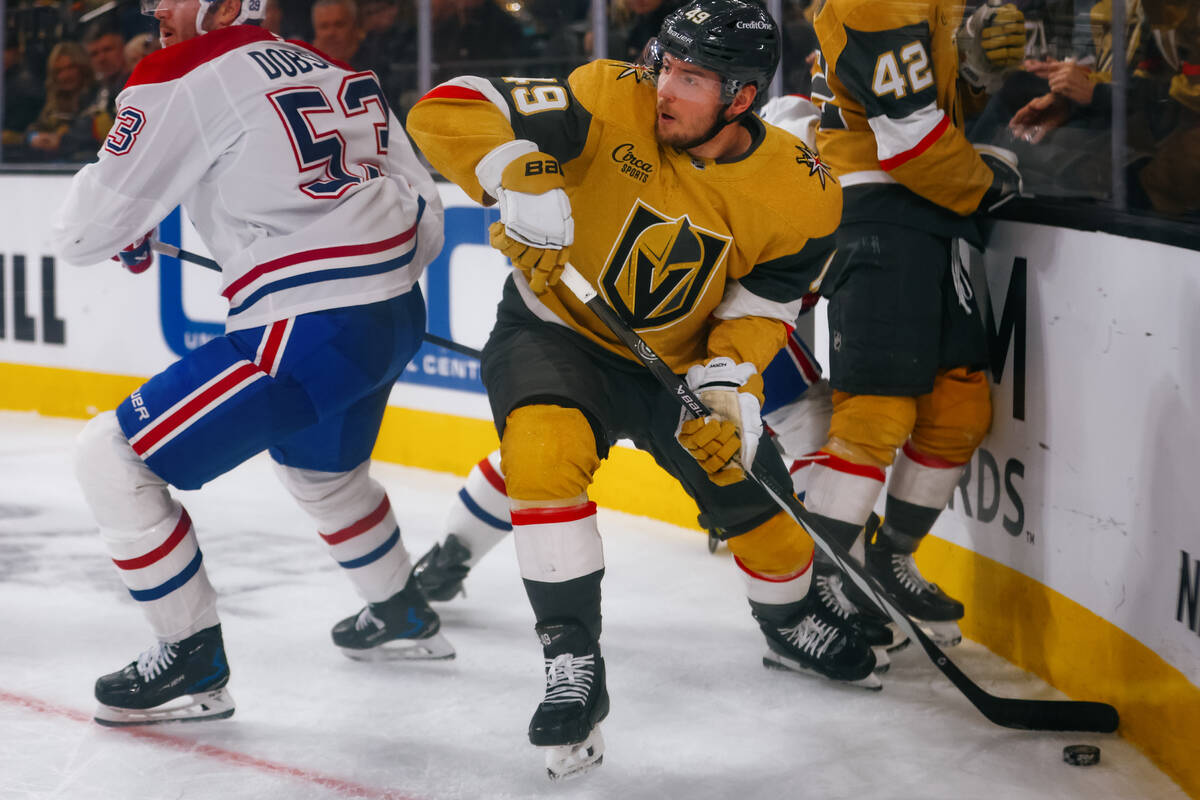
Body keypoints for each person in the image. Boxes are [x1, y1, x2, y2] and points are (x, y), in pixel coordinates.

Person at [408, 0, 880, 779]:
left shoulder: (803, 193)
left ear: (741, 97)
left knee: (758, 503)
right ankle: (572, 659)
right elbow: (452, 105)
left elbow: (765, 302)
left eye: (692, 78)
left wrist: (727, 383)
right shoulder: (607, 94)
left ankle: (791, 620)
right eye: (667, 64)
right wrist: (513, 171)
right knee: (539, 453)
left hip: (683, 368)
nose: (664, 87)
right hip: (552, 334)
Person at [48, 0, 447, 728]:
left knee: (110, 458)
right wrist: (366, 280)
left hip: (307, 328)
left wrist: (123, 218)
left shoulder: (183, 69)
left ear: (227, 5)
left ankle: (192, 658)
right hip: (393, 315)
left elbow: (81, 233)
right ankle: (401, 611)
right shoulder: (331, 65)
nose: (154, 10)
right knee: (323, 476)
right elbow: (420, 200)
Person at [803, 0, 1023, 647]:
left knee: (958, 409)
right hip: (879, 214)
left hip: (931, 215)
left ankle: (888, 556)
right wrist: (986, 185)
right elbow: (910, 139)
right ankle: (813, 584)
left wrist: (975, 72)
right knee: (877, 415)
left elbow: (932, 103)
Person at [310, 0, 365, 64]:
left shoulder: (375, 59)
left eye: (339, 25)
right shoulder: (306, 66)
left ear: (355, 27)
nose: (331, 33)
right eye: (324, 27)